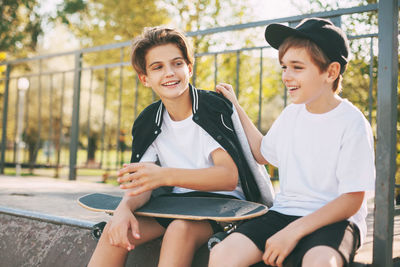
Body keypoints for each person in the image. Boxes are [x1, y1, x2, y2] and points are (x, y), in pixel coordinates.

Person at [88, 26, 274, 267]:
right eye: (157, 67)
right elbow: (143, 183)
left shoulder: (210, 108)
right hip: (175, 205)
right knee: (114, 231)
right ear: (145, 79)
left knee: (179, 231)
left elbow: (227, 177)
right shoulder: (148, 121)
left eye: (177, 63)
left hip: (223, 208)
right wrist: (124, 209)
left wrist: (163, 176)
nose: (169, 73)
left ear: (189, 68)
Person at [209, 18, 375, 267]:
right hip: (283, 214)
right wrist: (235, 106)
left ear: (330, 72)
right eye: (284, 66)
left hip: (335, 221)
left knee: (320, 263)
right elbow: (262, 153)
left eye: (297, 67)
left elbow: (352, 199)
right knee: (223, 254)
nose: (286, 76)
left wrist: (293, 232)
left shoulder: (351, 122)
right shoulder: (291, 114)